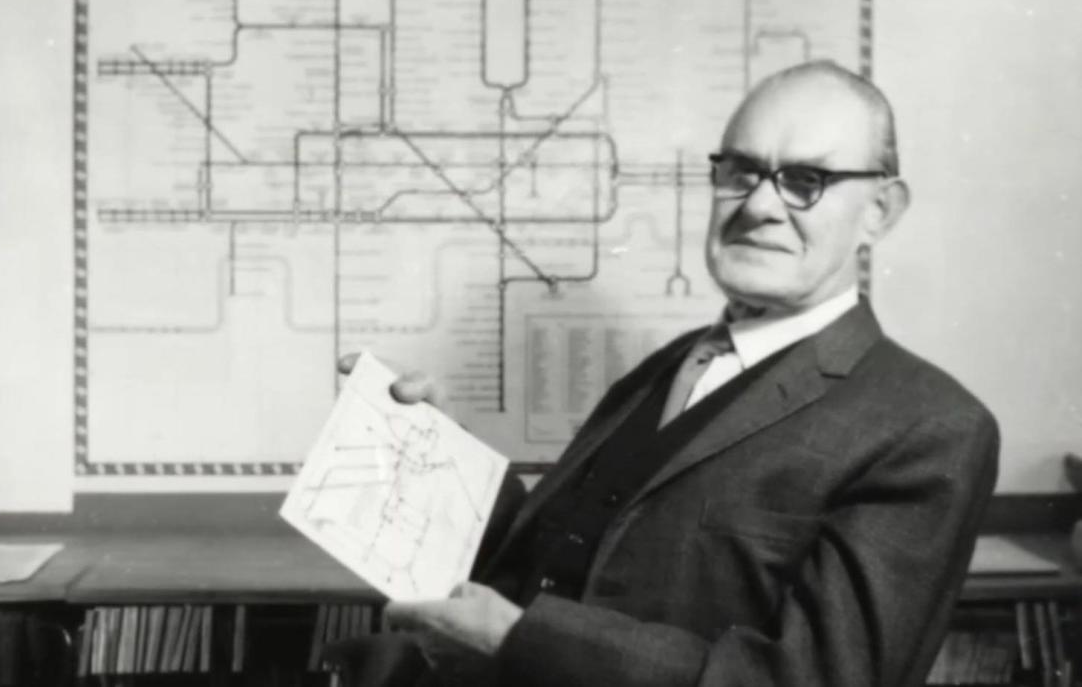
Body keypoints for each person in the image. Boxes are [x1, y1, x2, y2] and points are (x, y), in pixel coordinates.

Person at [329, 60, 999, 687]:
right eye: (740, 171)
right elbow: (558, 557)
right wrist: (440, 460)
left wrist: (518, 638)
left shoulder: (929, 427)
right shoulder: (671, 364)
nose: (760, 205)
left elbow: (816, 677)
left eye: (805, 180)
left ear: (879, 212)